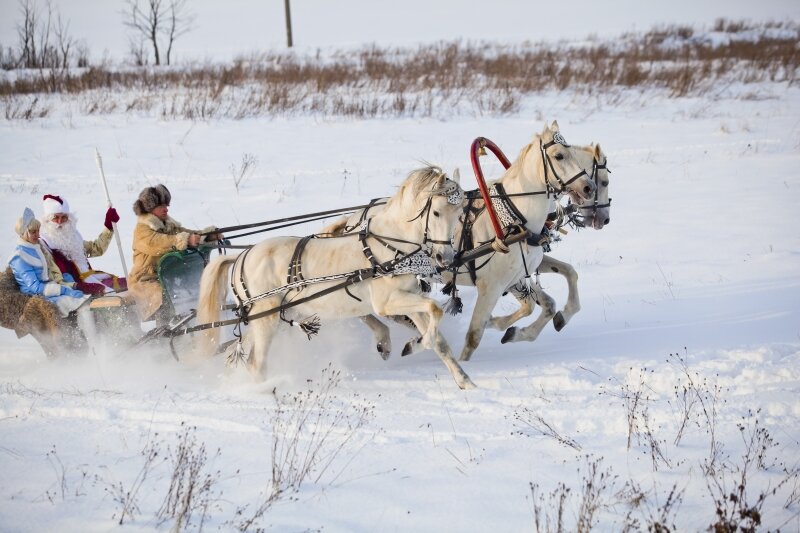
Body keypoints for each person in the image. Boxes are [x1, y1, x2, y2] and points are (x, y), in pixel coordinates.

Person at [127, 184, 222, 324]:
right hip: (145, 280)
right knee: (162, 296)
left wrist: (206, 236)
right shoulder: (142, 230)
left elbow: (187, 233)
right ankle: (164, 331)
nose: (166, 209)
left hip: (167, 275)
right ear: (150, 210)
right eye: (161, 206)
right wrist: (185, 240)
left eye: (166, 205)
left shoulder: (168, 226)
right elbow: (158, 243)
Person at [8, 208, 98, 352]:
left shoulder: (35, 247)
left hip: (50, 288)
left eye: (38, 231)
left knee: (84, 299)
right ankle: (94, 346)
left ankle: (85, 343)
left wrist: (65, 280)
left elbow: (49, 272)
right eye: (33, 232)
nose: (37, 235)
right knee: (83, 304)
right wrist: (62, 289)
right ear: (24, 233)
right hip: (39, 296)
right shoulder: (20, 257)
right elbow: (34, 287)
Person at [39, 194, 126, 296]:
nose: (60, 222)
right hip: (75, 288)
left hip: (94, 279)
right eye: (55, 217)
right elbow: (54, 278)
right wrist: (80, 287)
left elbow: (96, 249)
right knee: (115, 295)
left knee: (130, 282)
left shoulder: (72, 237)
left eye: (64, 217)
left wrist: (109, 227)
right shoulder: (44, 244)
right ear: (47, 220)